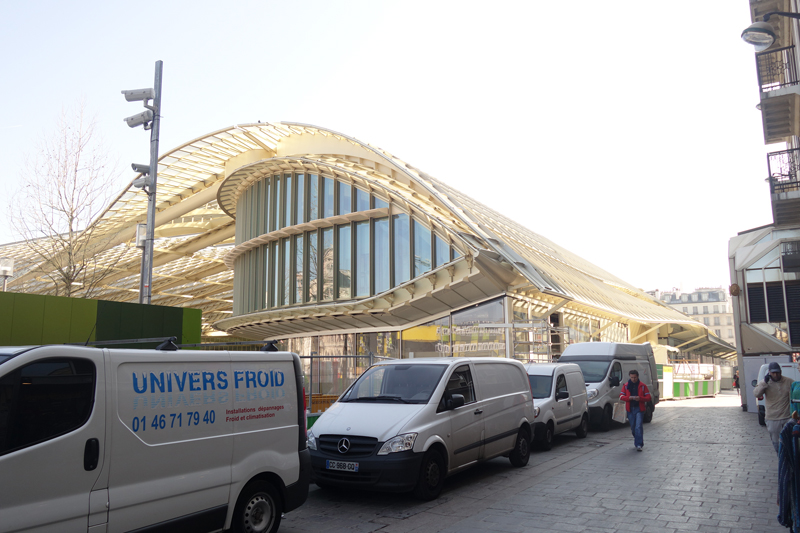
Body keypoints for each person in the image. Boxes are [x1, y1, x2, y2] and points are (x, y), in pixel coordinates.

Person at [753, 362, 794, 454]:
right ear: (769, 373)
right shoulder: (765, 383)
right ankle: (781, 461)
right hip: (773, 418)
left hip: (787, 417)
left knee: (790, 442)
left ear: (781, 371)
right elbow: (756, 394)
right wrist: (764, 383)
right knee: (777, 443)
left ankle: (790, 463)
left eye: (778, 372)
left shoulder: (789, 381)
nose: (776, 375)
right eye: (773, 373)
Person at [619, 369, 651, 451]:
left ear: (638, 377)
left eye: (635, 377)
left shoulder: (643, 386)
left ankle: (639, 444)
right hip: (630, 409)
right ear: (630, 377)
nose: (633, 379)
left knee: (638, 426)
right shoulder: (626, 386)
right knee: (633, 427)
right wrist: (628, 398)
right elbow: (621, 396)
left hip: (639, 409)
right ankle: (637, 437)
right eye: (632, 377)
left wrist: (640, 398)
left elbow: (648, 397)